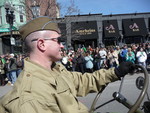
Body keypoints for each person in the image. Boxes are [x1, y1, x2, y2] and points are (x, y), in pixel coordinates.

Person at [0, 16, 135, 113]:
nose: (62, 46)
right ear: (41, 44)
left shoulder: (55, 69)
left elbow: (82, 81)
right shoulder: (29, 95)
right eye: (58, 40)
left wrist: (116, 72)